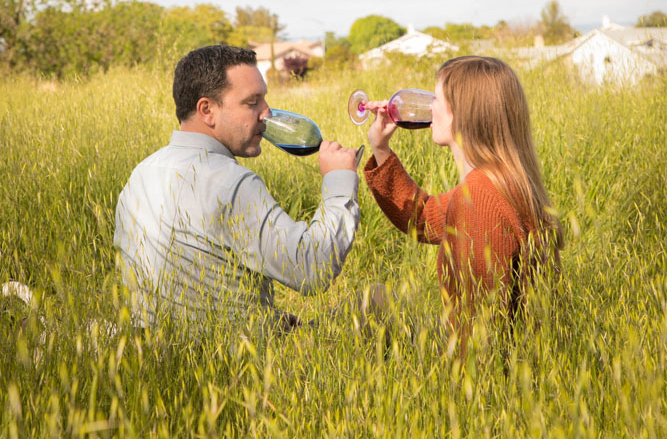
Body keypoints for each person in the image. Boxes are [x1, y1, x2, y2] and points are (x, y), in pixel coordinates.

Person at [114, 44, 360, 330]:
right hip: (239, 362)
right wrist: (339, 181)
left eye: (264, 100)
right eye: (251, 102)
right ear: (207, 110)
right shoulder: (230, 182)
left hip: (154, 351)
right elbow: (312, 269)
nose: (266, 114)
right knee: (378, 301)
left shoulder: (142, 172)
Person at [362, 56, 563, 338]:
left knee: (368, 309)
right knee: (378, 298)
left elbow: (481, 329)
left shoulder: (481, 198)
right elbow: (424, 218)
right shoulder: (497, 179)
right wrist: (380, 148)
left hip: (483, 370)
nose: (429, 106)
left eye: (436, 98)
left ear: (462, 113)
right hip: (504, 359)